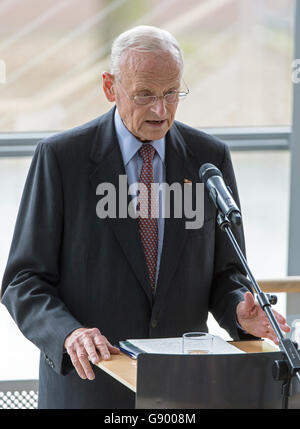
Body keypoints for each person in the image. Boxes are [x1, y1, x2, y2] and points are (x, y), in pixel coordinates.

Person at [1, 25, 289, 409]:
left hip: (184, 392)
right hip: (90, 389)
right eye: (145, 95)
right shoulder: (60, 160)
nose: (161, 109)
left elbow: (227, 274)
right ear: (110, 87)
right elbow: (23, 281)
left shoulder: (209, 159)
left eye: (172, 93)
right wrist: (69, 334)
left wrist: (240, 310)